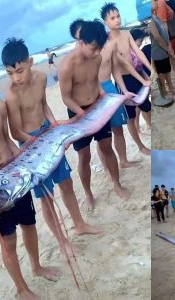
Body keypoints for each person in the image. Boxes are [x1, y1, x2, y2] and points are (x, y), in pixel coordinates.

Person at [3, 38, 100, 256]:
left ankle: (79, 224)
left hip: (47, 132)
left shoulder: (41, 77)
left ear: (30, 61)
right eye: (10, 73)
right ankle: (62, 242)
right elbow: (16, 131)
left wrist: (55, 126)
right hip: (30, 144)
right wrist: (41, 142)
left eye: (19, 70)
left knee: (66, 182)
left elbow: (44, 105)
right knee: (46, 197)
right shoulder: (11, 94)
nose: (16, 78)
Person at [0, 58, 58, 300]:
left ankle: (37, 267)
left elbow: (7, 141)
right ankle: (21, 289)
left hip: (13, 172)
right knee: (7, 239)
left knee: (29, 223)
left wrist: (24, 159)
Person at [58, 20, 130, 208]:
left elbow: (94, 81)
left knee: (107, 146)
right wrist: (82, 114)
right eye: (93, 48)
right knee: (84, 156)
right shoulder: (66, 66)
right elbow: (66, 97)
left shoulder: (96, 58)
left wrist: (103, 94)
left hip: (97, 107)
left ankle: (117, 184)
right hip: (78, 113)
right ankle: (89, 194)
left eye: (100, 48)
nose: (97, 52)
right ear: (81, 42)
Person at [100, 3, 151, 155]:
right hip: (123, 81)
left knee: (147, 107)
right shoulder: (107, 41)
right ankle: (140, 146)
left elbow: (138, 52)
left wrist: (150, 69)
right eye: (112, 18)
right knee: (130, 116)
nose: (117, 20)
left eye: (118, 16)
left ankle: (148, 129)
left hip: (135, 75)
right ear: (106, 22)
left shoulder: (127, 34)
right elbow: (115, 66)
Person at [151, 0, 175, 100]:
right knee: (161, 72)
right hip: (158, 51)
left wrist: (168, 46)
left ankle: (171, 88)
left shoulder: (156, 16)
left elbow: (163, 31)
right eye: (154, 1)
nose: (157, 3)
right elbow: (157, 37)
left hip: (164, 49)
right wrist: (167, 49)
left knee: (167, 69)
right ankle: (164, 92)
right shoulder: (151, 19)